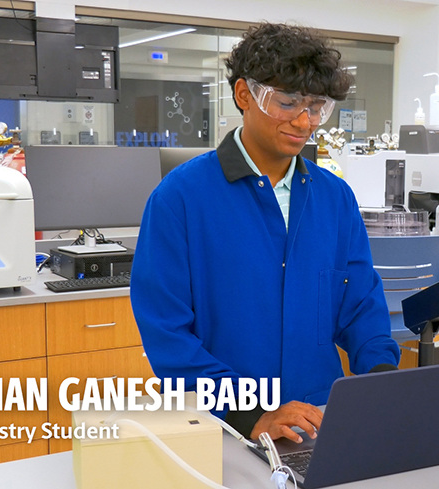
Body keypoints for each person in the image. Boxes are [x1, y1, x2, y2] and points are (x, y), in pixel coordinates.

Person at [130, 22, 400, 444]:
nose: (304, 121)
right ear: (244, 95)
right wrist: (247, 414)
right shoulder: (180, 198)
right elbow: (166, 334)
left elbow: (360, 304)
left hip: (319, 421)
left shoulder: (335, 198)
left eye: (316, 107)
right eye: (288, 102)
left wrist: (382, 375)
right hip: (222, 426)